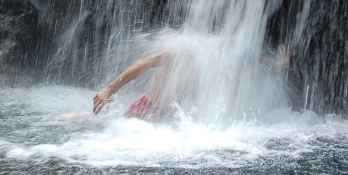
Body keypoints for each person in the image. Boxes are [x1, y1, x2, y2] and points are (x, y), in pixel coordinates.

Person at [93, 44, 290, 121]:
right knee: (105, 128)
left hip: (165, 118)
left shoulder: (216, 57)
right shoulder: (183, 52)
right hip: (145, 110)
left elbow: (248, 60)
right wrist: (110, 89)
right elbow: (143, 63)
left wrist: (278, 64)